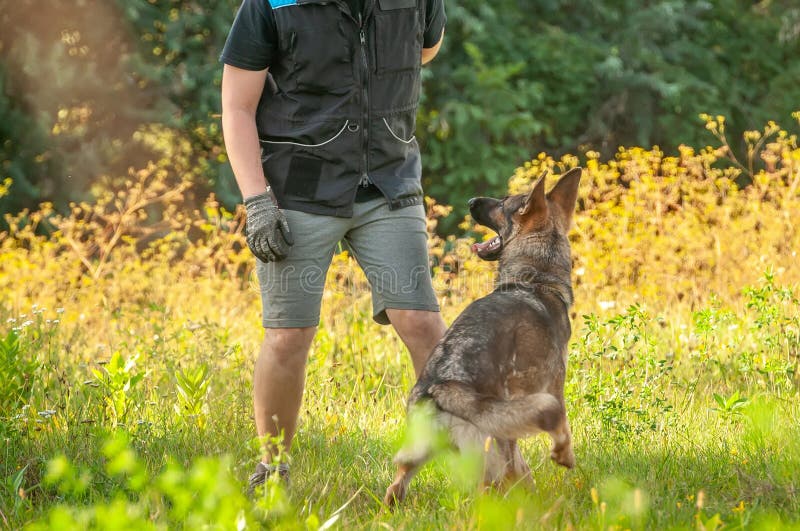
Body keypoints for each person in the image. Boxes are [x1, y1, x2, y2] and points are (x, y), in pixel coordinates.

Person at [220, 0, 447, 491]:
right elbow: (237, 106)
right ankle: (273, 468)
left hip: (388, 181)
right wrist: (257, 201)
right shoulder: (271, 3)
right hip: (300, 188)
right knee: (288, 335)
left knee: (423, 323)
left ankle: (464, 458)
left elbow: (426, 48)